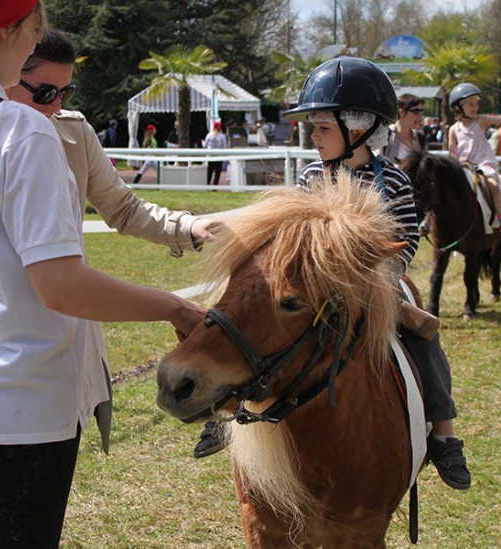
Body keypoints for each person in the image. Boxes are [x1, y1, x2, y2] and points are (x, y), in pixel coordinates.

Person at [0, 5, 208, 547]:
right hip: (20, 401)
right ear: (7, 29)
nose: (36, 39)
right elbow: (61, 286)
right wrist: (175, 306)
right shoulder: (17, 129)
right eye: (35, 29)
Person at [195, 57, 472, 491]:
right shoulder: (310, 176)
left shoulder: (395, 181)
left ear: (357, 129)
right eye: (314, 127)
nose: (312, 136)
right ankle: (226, 412)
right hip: (312, 284)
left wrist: (373, 276)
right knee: (255, 329)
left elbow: (406, 242)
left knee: (425, 339)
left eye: (322, 128)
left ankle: (444, 434)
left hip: (373, 285)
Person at [447, 83, 501, 233]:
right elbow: (452, 152)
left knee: (493, 184)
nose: (475, 107)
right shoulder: (454, 129)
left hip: (483, 164)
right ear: (458, 108)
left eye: (476, 104)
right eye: (470, 104)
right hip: (464, 166)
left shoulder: (480, 121)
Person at [384, 93, 426, 165]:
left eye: (422, 111)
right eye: (416, 111)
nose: (420, 116)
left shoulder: (420, 138)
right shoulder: (385, 135)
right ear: (401, 112)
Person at [203, 120, 227, 186]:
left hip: (210, 155)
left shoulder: (209, 135)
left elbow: (205, 145)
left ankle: (207, 185)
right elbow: (224, 147)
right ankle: (215, 187)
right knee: (217, 173)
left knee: (209, 171)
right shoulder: (222, 136)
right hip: (219, 156)